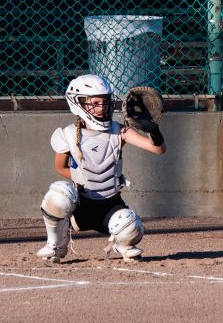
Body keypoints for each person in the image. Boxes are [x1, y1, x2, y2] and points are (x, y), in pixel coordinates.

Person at [36, 74, 166, 263]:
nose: (101, 108)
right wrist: (82, 182)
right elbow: (60, 167)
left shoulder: (119, 131)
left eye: (104, 102)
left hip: (110, 205)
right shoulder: (68, 135)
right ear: (77, 103)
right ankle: (56, 244)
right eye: (94, 103)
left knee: (132, 226)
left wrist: (153, 130)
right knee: (59, 193)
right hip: (80, 206)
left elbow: (159, 149)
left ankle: (123, 244)